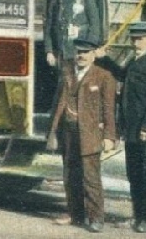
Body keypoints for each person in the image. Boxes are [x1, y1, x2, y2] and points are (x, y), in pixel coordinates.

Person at [96, 22, 146, 233]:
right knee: (134, 174)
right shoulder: (134, 62)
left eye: (140, 38)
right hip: (132, 130)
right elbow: (120, 74)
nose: (136, 42)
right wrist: (104, 58)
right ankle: (137, 215)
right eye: (134, 39)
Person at [46, 38, 118, 233]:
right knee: (70, 174)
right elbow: (58, 104)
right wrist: (52, 132)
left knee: (90, 177)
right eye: (79, 52)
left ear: (93, 55)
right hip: (68, 131)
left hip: (91, 134)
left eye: (86, 52)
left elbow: (109, 110)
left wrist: (109, 136)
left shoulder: (104, 76)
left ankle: (96, 218)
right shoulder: (68, 74)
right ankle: (75, 214)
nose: (81, 56)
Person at [44, 0, 101, 91]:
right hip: (61, 52)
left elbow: (95, 26)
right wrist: (49, 51)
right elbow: (49, 27)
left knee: (79, 86)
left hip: (79, 51)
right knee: (63, 86)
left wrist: (89, 50)